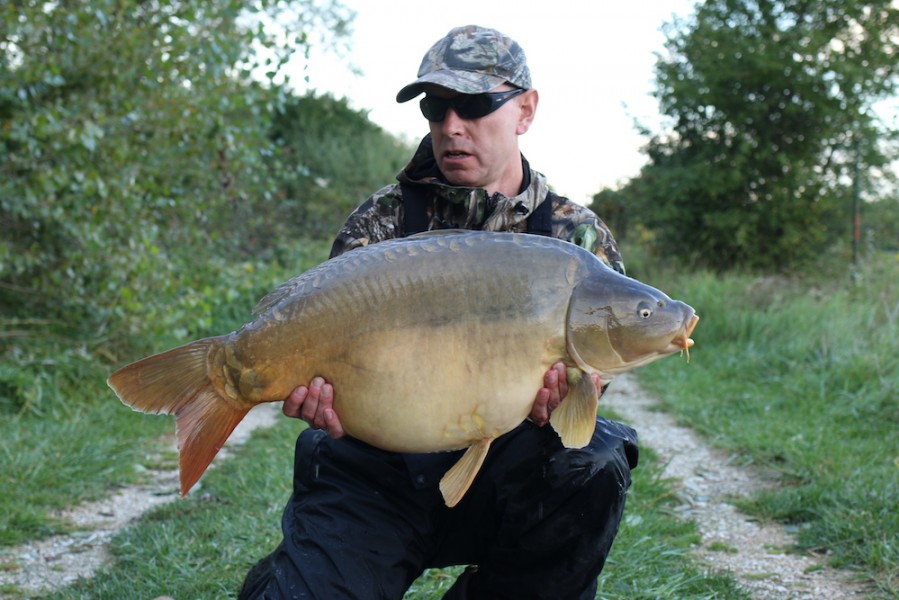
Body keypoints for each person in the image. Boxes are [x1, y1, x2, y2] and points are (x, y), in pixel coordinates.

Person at [239, 25, 638, 600]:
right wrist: (320, 398)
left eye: (475, 105)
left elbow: (591, 378)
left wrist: (570, 399)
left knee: (594, 459)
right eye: (436, 107)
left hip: (506, 472)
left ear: (525, 111)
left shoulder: (576, 237)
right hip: (377, 474)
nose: (452, 126)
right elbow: (323, 358)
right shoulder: (379, 222)